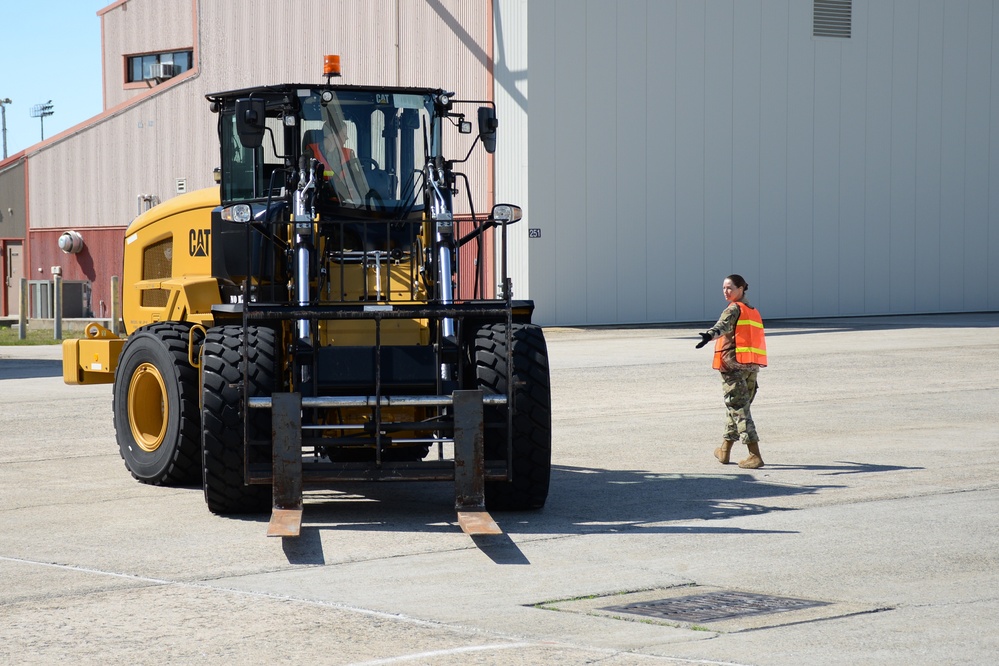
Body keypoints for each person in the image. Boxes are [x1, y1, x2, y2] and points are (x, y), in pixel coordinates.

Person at [695, 274, 767, 469]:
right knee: (736, 408)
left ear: (741, 289)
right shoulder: (752, 311)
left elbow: (722, 326)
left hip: (732, 366)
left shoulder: (733, 309)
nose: (725, 291)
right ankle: (724, 450)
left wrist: (709, 335)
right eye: (724, 288)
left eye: (730, 288)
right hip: (750, 366)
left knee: (739, 410)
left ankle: (754, 455)